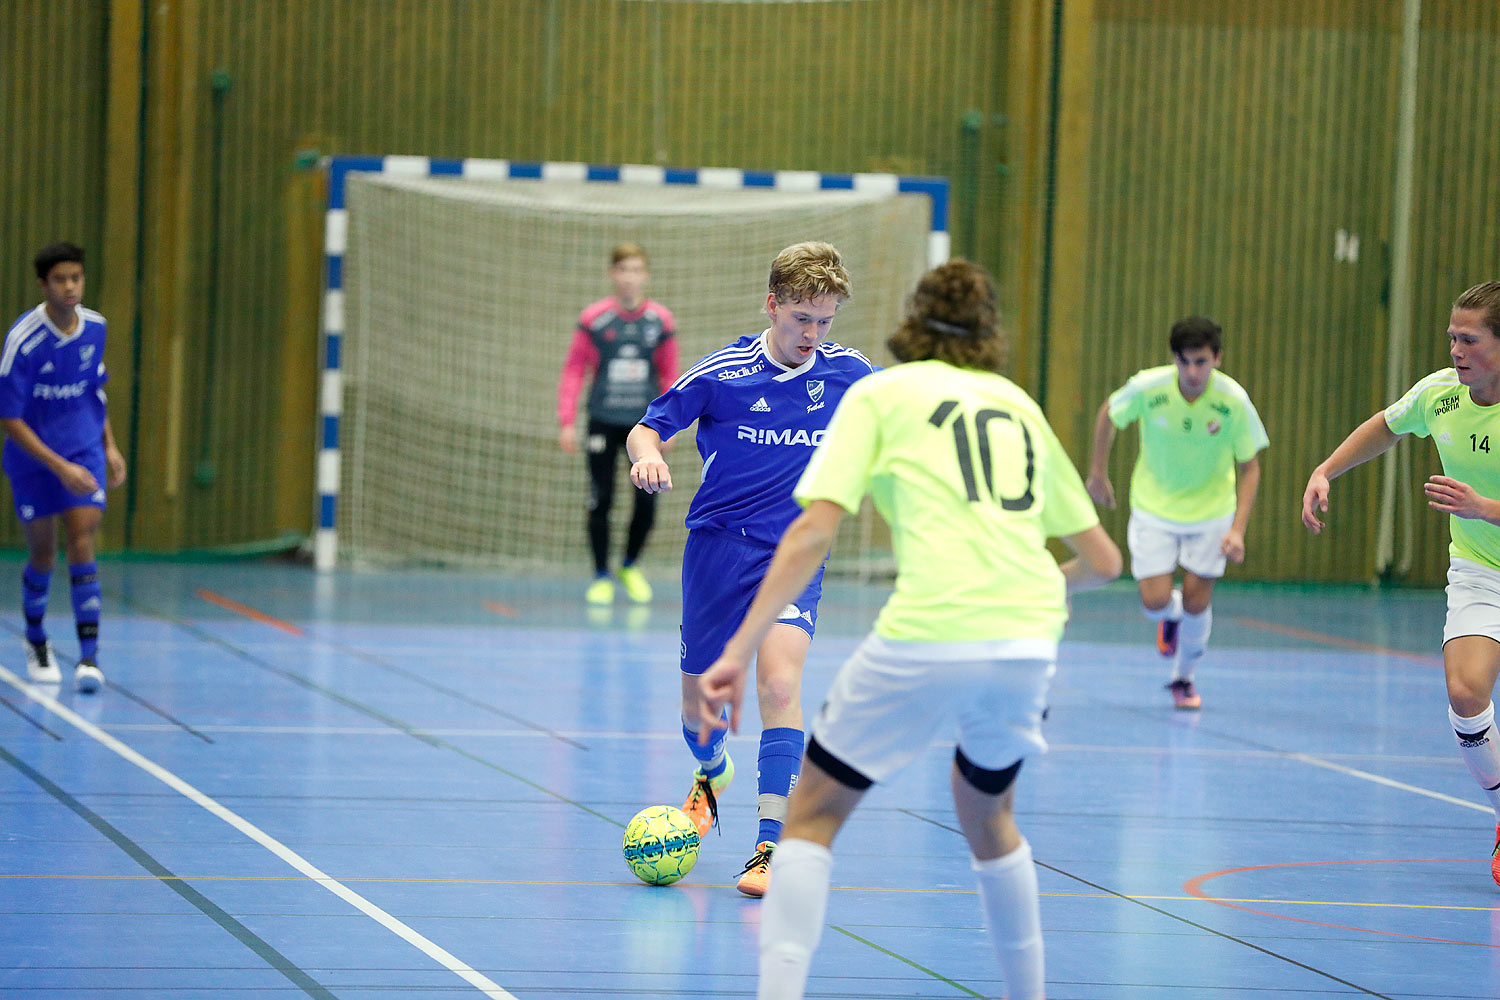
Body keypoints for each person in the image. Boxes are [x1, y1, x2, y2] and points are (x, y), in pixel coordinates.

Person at [696, 259, 1121, 1000]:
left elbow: (811, 533)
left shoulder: (881, 393)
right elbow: (1105, 561)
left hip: (931, 626)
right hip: (1026, 641)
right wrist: (1033, 591)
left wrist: (737, 650)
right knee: (990, 819)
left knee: (813, 813)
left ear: (912, 321)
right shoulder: (1016, 404)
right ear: (990, 332)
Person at [627, 241, 875, 897]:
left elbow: (908, 411)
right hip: (716, 548)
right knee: (698, 709)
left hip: (794, 552)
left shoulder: (849, 373)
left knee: (779, 683)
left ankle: (770, 846)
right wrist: (647, 455)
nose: (812, 335)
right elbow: (646, 429)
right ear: (772, 305)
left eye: (824, 321)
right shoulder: (724, 372)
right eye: (800, 318)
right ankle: (714, 768)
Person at [1302, 280, 1500, 886]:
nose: (1456, 349)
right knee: (1466, 695)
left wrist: (1484, 506)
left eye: (1469, 339)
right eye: (1451, 337)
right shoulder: (1441, 395)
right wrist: (1326, 469)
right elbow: (1388, 426)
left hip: (1483, 525)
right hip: (1482, 571)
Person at [1085, 316, 1268, 709]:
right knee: (1154, 602)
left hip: (1211, 512)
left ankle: (1183, 678)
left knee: (1197, 601)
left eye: (1201, 361)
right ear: (1174, 359)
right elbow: (1108, 414)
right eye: (1184, 362)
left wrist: (1237, 530)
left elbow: (1250, 468)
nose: (1192, 371)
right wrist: (1097, 473)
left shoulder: (1233, 400)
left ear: (1216, 358)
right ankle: (1171, 618)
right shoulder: (1148, 388)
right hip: (1155, 507)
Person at [0, 243, 127, 692]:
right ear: (43, 284)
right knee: (42, 553)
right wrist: (58, 468)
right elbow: (9, 418)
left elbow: (95, 391)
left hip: (84, 451)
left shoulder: (96, 328)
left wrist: (109, 447)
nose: (70, 286)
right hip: (35, 459)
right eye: (60, 279)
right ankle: (36, 640)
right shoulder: (24, 340)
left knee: (82, 540)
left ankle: (89, 659)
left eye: (76, 277)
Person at [557, 243, 679, 605]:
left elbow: (669, 374)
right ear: (613, 274)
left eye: (636, 269)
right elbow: (574, 369)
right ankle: (600, 575)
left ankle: (629, 564)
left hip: (643, 426)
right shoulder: (595, 319)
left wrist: (668, 424)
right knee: (600, 499)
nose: (629, 277)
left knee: (647, 500)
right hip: (603, 420)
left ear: (646, 275)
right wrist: (566, 421)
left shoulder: (660, 321)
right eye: (622, 269)